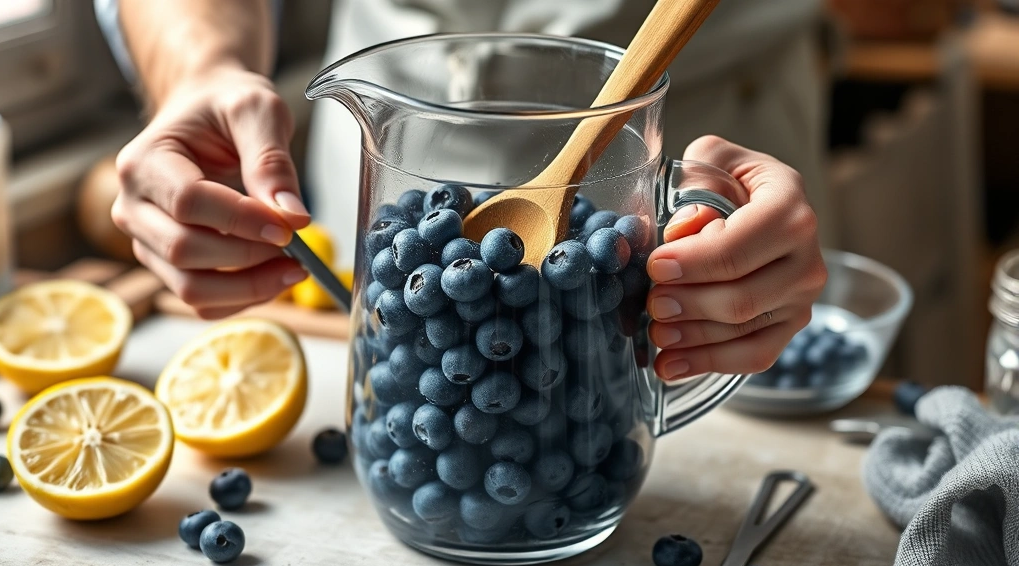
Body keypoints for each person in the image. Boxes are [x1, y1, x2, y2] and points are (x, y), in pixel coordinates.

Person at [94, 0, 827, 379]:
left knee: (710, 337)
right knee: (414, 374)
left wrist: (718, 196)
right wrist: (202, 68)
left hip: (698, 128)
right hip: (394, 132)